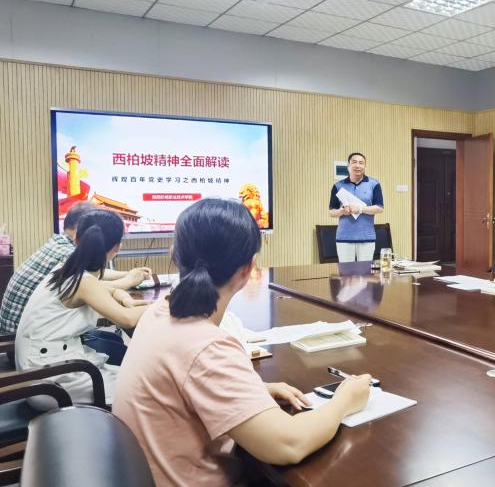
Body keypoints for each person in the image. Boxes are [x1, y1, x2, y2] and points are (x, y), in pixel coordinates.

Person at [114, 199, 371, 487]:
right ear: (249, 268)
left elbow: (182, 384)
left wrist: (254, 392)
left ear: (174, 253)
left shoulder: (158, 313)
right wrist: (344, 400)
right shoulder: (205, 345)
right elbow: (288, 444)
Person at [15, 209, 151, 408]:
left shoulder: (67, 268)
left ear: (76, 238)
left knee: (132, 377)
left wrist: (124, 297)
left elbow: (103, 288)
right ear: (117, 247)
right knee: (142, 389)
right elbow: (127, 319)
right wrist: (164, 304)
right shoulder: (83, 281)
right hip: (50, 381)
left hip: (36, 369)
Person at [0, 202, 150, 333]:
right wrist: (159, 303)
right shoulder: (70, 259)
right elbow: (126, 319)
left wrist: (124, 286)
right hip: (30, 340)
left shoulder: (63, 252)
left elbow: (96, 285)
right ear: (117, 247)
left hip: (27, 333)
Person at [328, 152, 384, 263]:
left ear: (365, 166)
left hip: (366, 237)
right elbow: (331, 212)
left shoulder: (374, 184)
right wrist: (341, 211)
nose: (357, 165)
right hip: (344, 237)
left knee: (365, 271)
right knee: (346, 272)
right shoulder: (338, 186)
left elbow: (379, 208)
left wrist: (360, 209)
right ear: (348, 165)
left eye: (361, 163)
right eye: (354, 162)